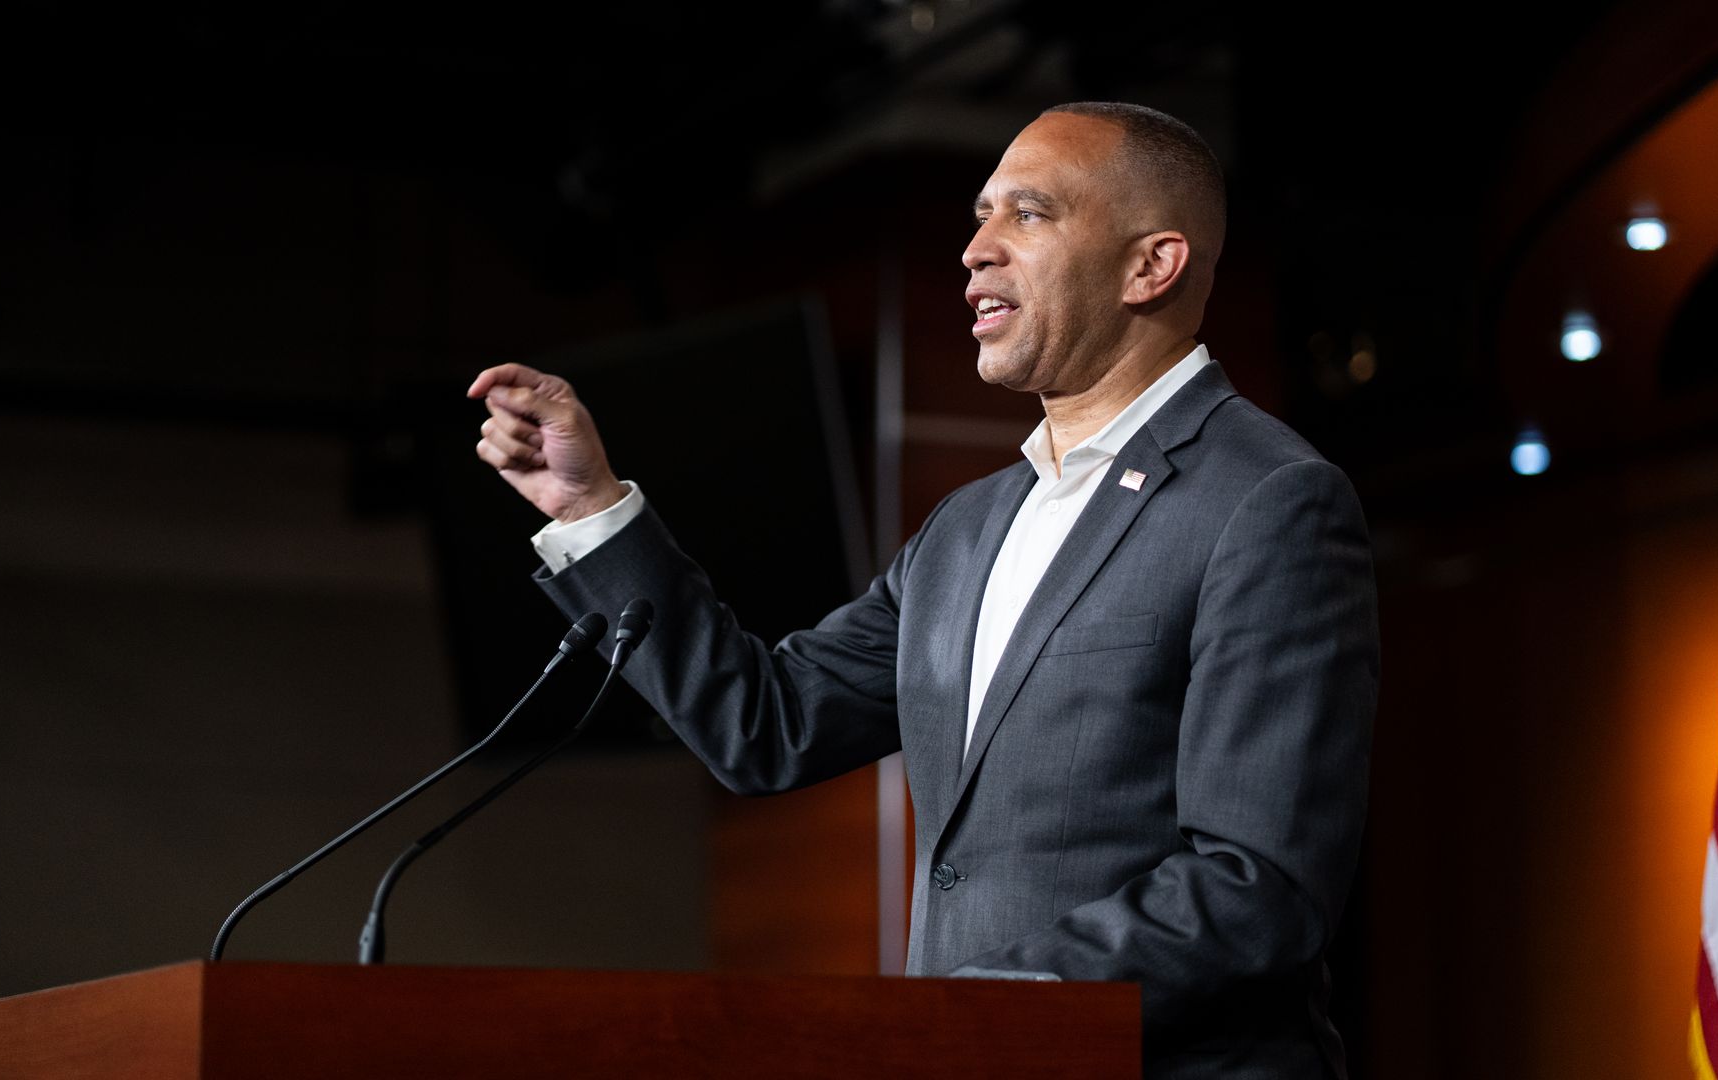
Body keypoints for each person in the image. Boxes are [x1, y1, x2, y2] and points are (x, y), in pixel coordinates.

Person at [468, 102, 1378, 1079]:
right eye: (981, 217)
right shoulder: (964, 529)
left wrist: (981, 1015)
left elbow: (1257, 885)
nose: (976, 250)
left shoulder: (1268, 500)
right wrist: (590, 508)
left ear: (1150, 266)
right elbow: (764, 725)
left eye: (1028, 214)